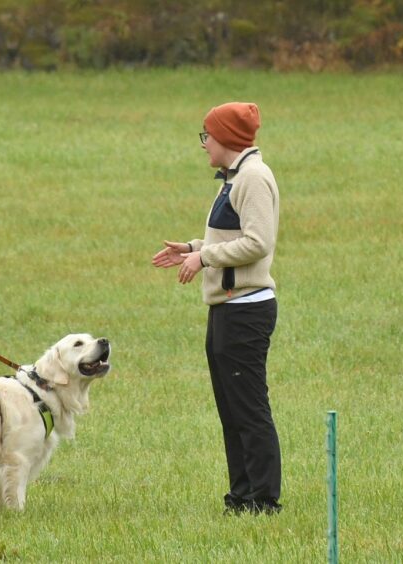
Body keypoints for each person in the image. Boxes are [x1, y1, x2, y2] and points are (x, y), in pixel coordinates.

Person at [152, 102, 282, 515]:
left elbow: (259, 242)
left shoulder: (254, 178)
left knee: (248, 408)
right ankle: (241, 497)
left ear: (225, 137)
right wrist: (193, 248)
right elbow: (234, 234)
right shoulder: (234, 176)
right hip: (227, 309)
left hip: (247, 309)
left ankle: (263, 500)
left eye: (207, 135)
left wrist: (205, 259)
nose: (204, 143)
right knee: (231, 409)